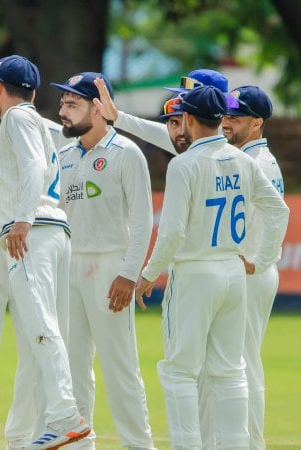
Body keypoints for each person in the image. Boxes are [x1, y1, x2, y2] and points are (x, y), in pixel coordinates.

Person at [135, 85, 289, 449]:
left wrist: (147, 275)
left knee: (179, 372)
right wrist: (260, 261)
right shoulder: (244, 160)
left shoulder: (184, 164)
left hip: (194, 272)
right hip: (233, 272)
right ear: (219, 118)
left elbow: (171, 232)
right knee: (230, 370)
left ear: (188, 118)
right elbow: (278, 211)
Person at [0, 54, 89, 450]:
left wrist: (22, 219)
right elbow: (20, 170)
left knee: (39, 324)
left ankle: (64, 417)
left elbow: (35, 168)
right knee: (49, 326)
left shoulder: (18, 118)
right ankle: (67, 427)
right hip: (53, 229)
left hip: (33, 230)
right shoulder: (30, 122)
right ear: (35, 91)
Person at [49, 72, 156, 450]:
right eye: (62, 103)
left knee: (120, 366)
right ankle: (80, 443)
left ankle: (138, 445)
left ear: (98, 107)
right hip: (70, 266)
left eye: (71, 104)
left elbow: (143, 220)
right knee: (73, 366)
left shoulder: (126, 153)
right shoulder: (63, 155)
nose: (62, 111)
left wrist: (129, 273)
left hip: (111, 266)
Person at [0, 110, 73, 450]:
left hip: (25, 243)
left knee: (32, 346)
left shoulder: (47, 132)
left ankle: (20, 437)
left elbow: (40, 186)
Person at [222, 85, 284, 449]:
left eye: (236, 116)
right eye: (226, 114)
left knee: (244, 363)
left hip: (251, 272)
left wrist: (258, 262)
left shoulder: (257, 162)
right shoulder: (248, 156)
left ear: (257, 122)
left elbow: (279, 214)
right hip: (249, 271)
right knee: (238, 362)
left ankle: (251, 443)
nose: (227, 121)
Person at [94, 69, 228, 156]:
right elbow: (154, 131)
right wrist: (117, 117)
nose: (184, 102)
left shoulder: (231, 142)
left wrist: (118, 117)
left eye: (190, 98)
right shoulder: (196, 139)